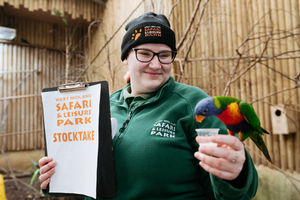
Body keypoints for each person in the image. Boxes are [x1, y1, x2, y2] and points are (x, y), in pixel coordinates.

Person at [39, 12, 258, 199]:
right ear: (126, 57)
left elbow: (231, 188)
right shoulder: (99, 106)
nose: (155, 64)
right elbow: (87, 179)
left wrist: (238, 173)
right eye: (144, 54)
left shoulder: (192, 103)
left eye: (164, 55)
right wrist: (57, 175)